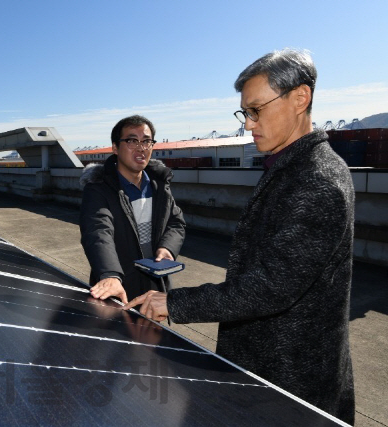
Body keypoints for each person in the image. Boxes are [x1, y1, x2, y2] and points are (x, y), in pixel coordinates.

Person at [125, 49, 355, 424]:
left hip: (288, 383)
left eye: (257, 110)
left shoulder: (318, 180)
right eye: (244, 113)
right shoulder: (292, 166)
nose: (248, 124)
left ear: (300, 98)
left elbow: (270, 287)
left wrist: (174, 303)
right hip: (266, 372)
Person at [79, 115, 186, 304]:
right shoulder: (99, 188)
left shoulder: (159, 186)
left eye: (146, 141)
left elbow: (176, 222)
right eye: (131, 140)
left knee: (154, 333)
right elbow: (97, 231)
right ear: (115, 148)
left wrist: (167, 248)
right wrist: (109, 274)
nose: (141, 147)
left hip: (155, 285)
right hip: (118, 286)